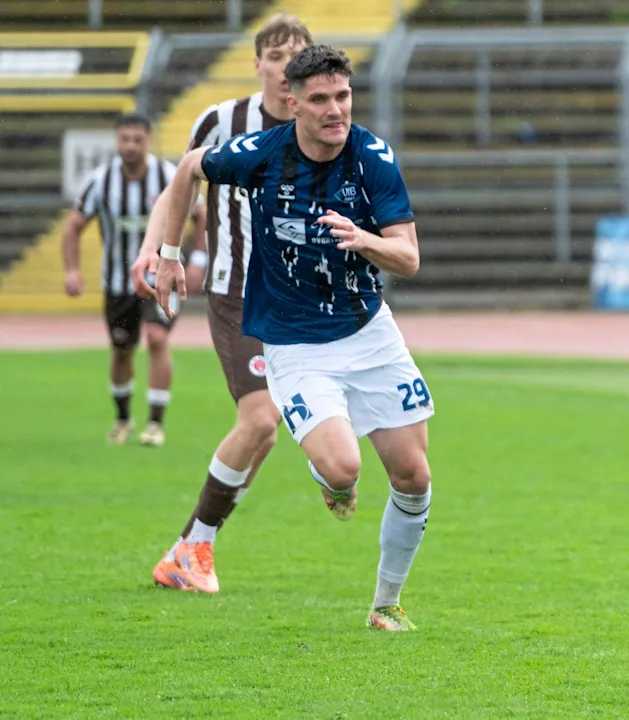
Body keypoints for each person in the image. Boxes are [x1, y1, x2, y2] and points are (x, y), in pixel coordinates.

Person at [154, 44, 433, 632]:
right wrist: (171, 254)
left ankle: (386, 604)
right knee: (343, 469)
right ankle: (328, 477)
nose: (336, 111)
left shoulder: (373, 157)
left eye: (343, 96)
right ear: (292, 102)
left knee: (414, 475)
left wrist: (365, 240)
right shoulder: (260, 153)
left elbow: (407, 257)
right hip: (294, 342)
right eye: (320, 100)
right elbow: (186, 170)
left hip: (369, 333)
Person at [132, 14, 312, 594]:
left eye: (298, 56)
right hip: (238, 289)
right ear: (257, 63)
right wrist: (157, 252)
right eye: (277, 56)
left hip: (298, 298)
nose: (287, 68)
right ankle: (194, 548)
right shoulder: (223, 120)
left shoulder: (323, 122)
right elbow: (177, 188)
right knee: (259, 419)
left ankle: (189, 547)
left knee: (264, 434)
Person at [63, 113, 206, 448]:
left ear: (148, 140)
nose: (130, 146)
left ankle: (155, 423)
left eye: (137, 139)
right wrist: (72, 269)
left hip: (162, 278)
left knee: (157, 338)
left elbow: (201, 214)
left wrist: (199, 260)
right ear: (117, 141)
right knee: (122, 349)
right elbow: (73, 226)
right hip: (119, 282)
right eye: (124, 139)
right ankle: (123, 418)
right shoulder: (100, 180)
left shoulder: (168, 176)